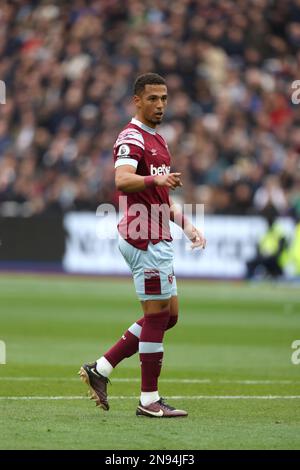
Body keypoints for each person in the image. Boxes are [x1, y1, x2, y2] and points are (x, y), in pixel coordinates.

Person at [79, 73, 206, 418]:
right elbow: (122, 179)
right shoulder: (131, 138)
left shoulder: (159, 141)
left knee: (170, 316)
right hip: (144, 238)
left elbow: (160, 196)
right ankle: (149, 400)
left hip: (158, 235)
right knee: (157, 315)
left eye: (164, 98)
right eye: (153, 98)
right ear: (137, 101)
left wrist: (188, 226)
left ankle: (101, 368)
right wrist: (154, 178)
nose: (160, 104)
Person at [246, 211, 288, 279]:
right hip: (265, 257)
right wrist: (263, 254)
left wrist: (270, 254)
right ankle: (249, 280)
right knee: (250, 263)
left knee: (270, 261)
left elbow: (281, 250)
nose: (268, 222)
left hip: (275, 258)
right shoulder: (265, 232)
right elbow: (259, 247)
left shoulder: (279, 232)